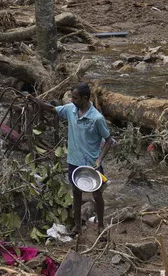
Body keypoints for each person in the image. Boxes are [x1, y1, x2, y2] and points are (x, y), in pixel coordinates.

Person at [35, 83, 114, 235]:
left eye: (75, 98)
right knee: (76, 193)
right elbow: (53, 110)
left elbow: (109, 140)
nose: (72, 100)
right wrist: (36, 101)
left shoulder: (96, 118)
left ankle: (101, 226)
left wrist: (99, 160)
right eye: (72, 97)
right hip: (73, 161)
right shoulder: (71, 110)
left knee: (97, 195)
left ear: (85, 98)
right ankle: (77, 226)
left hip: (91, 164)